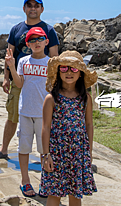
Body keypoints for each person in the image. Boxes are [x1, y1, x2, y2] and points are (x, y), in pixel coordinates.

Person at [0, 0, 59, 163]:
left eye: (36, 5)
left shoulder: (49, 30)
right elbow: (10, 55)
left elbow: (55, 58)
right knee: (13, 115)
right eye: (29, 5)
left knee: (47, 119)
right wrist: (6, 77)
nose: (33, 8)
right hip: (19, 78)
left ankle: (49, 155)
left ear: (42, 9)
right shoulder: (16, 29)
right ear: (24, 9)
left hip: (43, 83)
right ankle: (3, 149)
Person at [39, 50, 98, 204]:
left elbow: (89, 125)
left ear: (80, 74)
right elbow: (45, 127)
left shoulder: (86, 99)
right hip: (56, 152)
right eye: (64, 68)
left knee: (75, 194)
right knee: (54, 193)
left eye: (74, 69)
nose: (69, 72)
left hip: (78, 152)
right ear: (58, 72)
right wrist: (46, 155)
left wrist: (89, 151)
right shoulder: (51, 98)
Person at [5, 27, 50, 198]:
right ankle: (25, 181)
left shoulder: (51, 63)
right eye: (32, 40)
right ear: (27, 44)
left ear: (46, 41)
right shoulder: (23, 61)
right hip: (25, 112)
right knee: (24, 148)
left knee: (44, 150)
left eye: (40, 39)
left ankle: (46, 182)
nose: (36, 42)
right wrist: (11, 67)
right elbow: (20, 83)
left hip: (44, 115)